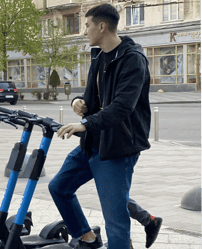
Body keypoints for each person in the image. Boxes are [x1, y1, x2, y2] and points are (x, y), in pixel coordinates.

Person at [48, 4, 152, 249]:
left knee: (115, 221)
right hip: (93, 142)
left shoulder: (133, 60)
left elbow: (122, 107)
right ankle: (86, 237)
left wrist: (84, 125)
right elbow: (90, 97)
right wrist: (78, 102)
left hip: (117, 148)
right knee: (59, 187)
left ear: (102, 27)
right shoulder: (99, 56)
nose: (85, 31)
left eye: (87, 26)